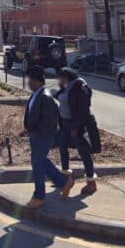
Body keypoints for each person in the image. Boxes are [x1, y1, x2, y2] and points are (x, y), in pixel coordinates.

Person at [22, 65, 71, 209]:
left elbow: (51, 121)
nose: (28, 83)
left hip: (43, 137)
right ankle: (64, 182)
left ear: (37, 81)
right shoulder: (35, 94)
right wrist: (28, 129)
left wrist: (39, 133)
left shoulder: (46, 96)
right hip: (35, 135)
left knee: (37, 164)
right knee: (42, 161)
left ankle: (39, 197)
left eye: (30, 80)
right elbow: (33, 115)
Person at [55, 67, 97, 198]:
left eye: (61, 77)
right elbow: (61, 98)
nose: (59, 79)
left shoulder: (79, 87)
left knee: (84, 153)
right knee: (62, 146)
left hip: (77, 126)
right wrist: (61, 88)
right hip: (66, 124)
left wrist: (75, 127)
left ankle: (91, 182)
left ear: (67, 77)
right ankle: (66, 178)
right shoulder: (68, 87)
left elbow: (83, 110)